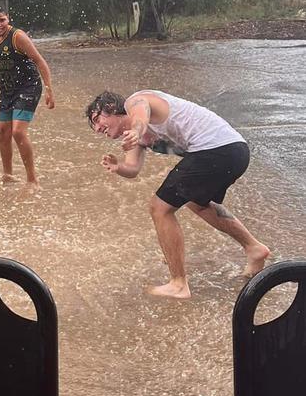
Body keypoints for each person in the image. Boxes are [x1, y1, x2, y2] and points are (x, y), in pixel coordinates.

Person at [86, 89, 270, 299]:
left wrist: (136, 130)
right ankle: (254, 248)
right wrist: (118, 167)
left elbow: (141, 113)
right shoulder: (136, 137)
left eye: (97, 120)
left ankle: (178, 284)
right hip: (231, 152)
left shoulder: (135, 102)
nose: (98, 129)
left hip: (219, 149)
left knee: (159, 208)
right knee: (197, 203)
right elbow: (133, 169)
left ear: (110, 108)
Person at [0, 3, 54, 190]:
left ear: (8, 19)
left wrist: (49, 89)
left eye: (2, 20)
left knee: (18, 131)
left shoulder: (18, 37)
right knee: (2, 131)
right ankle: (8, 175)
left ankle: (33, 180)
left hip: (28, 87)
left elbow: (39, 61)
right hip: (7, 91)